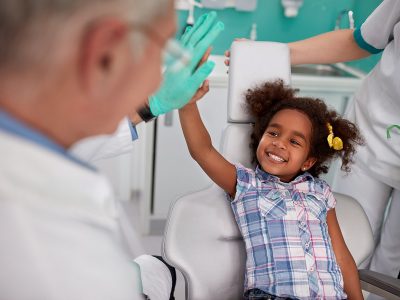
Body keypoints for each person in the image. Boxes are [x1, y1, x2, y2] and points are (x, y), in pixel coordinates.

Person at [0, 0, 223, 298]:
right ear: (105, 55)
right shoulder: (49, 264)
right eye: (163, 52)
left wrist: (150, 106)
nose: (162, 76)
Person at [179, 79, 364, 299]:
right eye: (273, 133)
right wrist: (187, 103)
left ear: (308, 162)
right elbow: (203, 151)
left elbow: (341, 255)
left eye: (295, 142)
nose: (280, 143)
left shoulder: (321, 192)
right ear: (260, 136)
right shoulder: (246, 184)